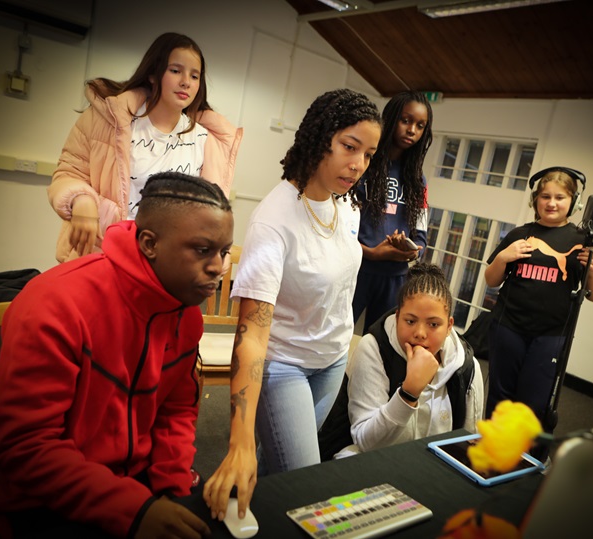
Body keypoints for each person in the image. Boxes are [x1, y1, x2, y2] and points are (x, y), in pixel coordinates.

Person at [0, 172, 234, 538]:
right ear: (149, 243)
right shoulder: (56, 303)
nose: (219, 268)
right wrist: (136, 511)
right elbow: (26, 448)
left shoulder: (186, 312)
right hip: (37, 495)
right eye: (203, 250)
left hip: (133, 480)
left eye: (223, 252)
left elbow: (175, 411)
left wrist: (173, 490)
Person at [203, 89, 382, 521]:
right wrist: (238, 438)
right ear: (319, 139)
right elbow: (249, 335)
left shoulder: (349, 205)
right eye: (349, 147)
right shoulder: (274, 220)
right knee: (304, 483)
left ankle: (233, 519)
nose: (358, 164)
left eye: (369, 154)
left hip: (332, 360)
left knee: (276, 473)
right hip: (284, 366)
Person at [48, 32, 242, 263]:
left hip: (166, 265)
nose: (186, 82)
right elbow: (68, 173)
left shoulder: (206, 139)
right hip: (103, 252)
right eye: (175, 70)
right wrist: (81, 199)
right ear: (153, 73)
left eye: (195, 75)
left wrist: (216, 254)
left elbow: (207, 211)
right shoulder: (108, 119)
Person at [483, 166, 593, 440]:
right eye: (545, 196)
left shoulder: (583, 242)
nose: (551, 203)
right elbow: (491, 279)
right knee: (500, 397)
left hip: (551, 335)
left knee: (534, 401)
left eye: (560, 197)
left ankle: (526, 457)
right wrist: (504, 257)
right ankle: (492, 447)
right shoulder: (519, 234)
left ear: (573, 202)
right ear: (535, 200)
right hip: (509, 327)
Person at [333, 263, 484, 458]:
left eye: (433, 324)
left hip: (432, 469)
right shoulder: (374, 348)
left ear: (449, 326)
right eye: (410, 321)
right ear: (397, 317)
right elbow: (366, 442)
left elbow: (467, 443)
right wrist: (408, 393)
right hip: (375, 460)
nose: (420, 334)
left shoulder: (467, 367)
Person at [352, 90, 433, 334]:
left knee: (377, 348)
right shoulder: (363, 164)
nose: (412, 130)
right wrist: (372, 253)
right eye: (406, 121)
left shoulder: (418, 181)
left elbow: (420, 237)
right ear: (390, 119)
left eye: (420, 126)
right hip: (356, 270)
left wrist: (411, 251)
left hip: (395, 279)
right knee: (334, 339)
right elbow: (338, 228)